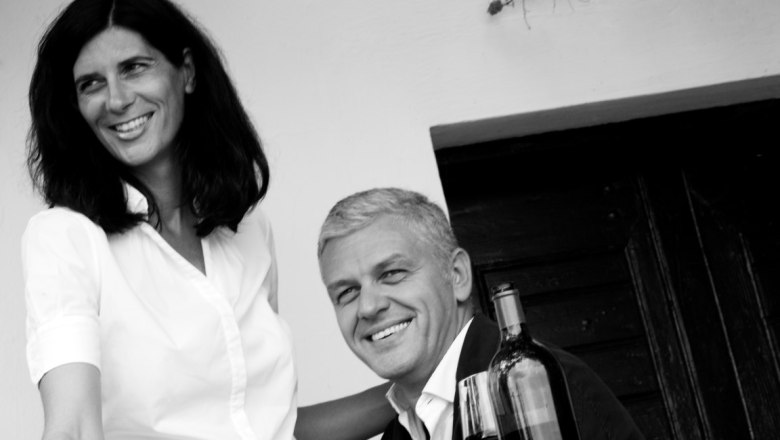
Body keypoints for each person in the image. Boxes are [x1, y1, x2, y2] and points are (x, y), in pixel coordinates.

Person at [22, 0, 392, 439]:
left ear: (188, 72)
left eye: (135, 67)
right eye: (91, 84)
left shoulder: (250, 231)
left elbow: (274, 427)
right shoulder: (66, 238)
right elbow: (74, 428)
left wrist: (413, 389)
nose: (117, 100)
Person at [316, 187, 645, 440]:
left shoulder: (544, 385)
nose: (369, 306)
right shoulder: (400, 431)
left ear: (457, 276)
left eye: (392, 273)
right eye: (347, 292)